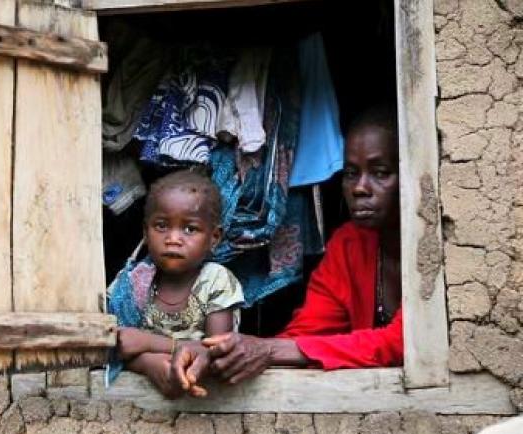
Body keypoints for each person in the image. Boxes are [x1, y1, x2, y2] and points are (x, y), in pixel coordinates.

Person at [172, 106, 404, 392]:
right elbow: (307, 331)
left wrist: (269, 350)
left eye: (380, 173)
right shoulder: (348, 244)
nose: (360, 188)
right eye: (351, 173)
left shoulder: (443, 252)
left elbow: (403, 342)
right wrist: (228, 352)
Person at [107, 169, 245, 397]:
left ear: (214, 238)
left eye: (190, 229)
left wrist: (147, 342)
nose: (173, 239)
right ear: (145, 231)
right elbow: (116, 347)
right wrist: (149, 364)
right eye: (161, 226)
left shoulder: (215, 281)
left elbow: (215, 350)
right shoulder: (133, 282)